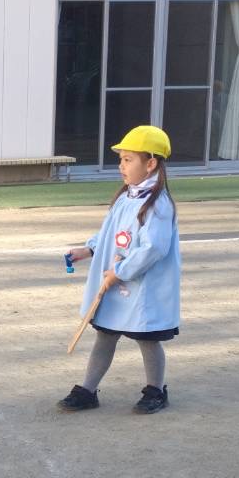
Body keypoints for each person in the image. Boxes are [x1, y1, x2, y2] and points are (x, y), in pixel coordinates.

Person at [58, 125, 180, 415]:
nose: (121, 166)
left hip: (142, 286)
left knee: (146, 338)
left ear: (150, 164)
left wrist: (120, 271)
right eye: (121, 159)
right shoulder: (126, 197)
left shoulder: (158, 204)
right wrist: (89, 249)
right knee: (106, 334)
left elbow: (153, 248)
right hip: (116, 282)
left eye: (128, 160)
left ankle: (156, 390)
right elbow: (111, 234)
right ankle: (88, 390)